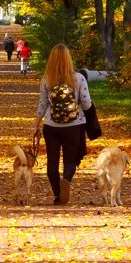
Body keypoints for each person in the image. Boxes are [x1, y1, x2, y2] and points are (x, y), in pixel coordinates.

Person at [34, 44, 92, 205]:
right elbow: (86, 104)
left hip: (51, 126)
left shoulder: (47, 79)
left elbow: (43, 104)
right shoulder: (78, 78)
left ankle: (58, 195)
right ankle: (66, 179)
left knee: (52, 162)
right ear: (69, 59)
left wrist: (36, 126)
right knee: (70, 160)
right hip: (74, 126)